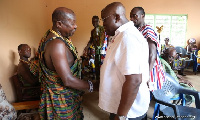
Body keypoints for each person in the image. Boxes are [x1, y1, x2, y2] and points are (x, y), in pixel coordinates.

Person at [36, 7, 94, 120]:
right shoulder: (57, 44)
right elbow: (68, 80)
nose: (75, 26)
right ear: (59, 24)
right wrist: (93, 85)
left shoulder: (53, 37)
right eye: (72, 23)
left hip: (66, 97)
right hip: (61, 101)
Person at [99, 2, 150, 120]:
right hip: (122, 106)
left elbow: (134, 80)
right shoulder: (120, 35)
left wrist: (121, 115)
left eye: (104, 20)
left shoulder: (128, 38)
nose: (103, 24)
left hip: (128, 112)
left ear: (117, 17)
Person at [130, 7, 165, 90]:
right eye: (131, 16)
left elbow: (152, 53)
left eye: (135, 16)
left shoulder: (147, 29)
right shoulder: (137, 30)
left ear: (142, 16)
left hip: (150, 71)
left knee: (146, 96)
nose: (132, 19)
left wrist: (147, 75)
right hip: (141, 69)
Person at [83, 15, 106, 80]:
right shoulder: (92, 31)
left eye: (96, 21)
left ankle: (103, 80)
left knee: (103, 65)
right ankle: (98, 80)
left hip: (103, 51)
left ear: (99, 21)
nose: (94, 23)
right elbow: (91, 40)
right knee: (97, 66)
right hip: (96, 51)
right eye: (93, 22)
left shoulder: (103, 29)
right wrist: (86, 47)